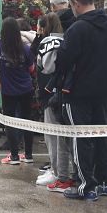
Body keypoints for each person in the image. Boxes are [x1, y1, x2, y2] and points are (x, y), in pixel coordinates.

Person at [54, 0, 107, 201]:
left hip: (78, 92)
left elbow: (62, 60)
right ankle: (104, 181)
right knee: (101, 136)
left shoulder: (77, 29)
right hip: (104, 90)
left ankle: (86, 185)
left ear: (75, 4)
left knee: (79, 138)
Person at [36, 13, 74, 189]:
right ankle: (63, 171)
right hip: (64, 91)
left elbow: (46, 66)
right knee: (63, 137)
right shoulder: (66, 39)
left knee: (52, 135)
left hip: (49, 90)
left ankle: (56, 170)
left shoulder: (47, 42)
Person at [0, 17, 35, 165]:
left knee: (10, 122)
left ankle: (14, 156)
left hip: (8, 90)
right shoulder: (25, 48)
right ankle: (29, 155)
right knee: (27, 121)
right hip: (26, 89)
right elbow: (31, 69)